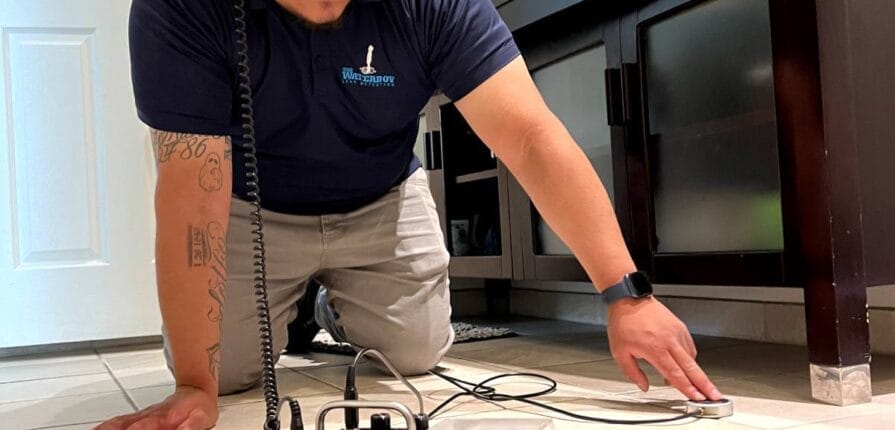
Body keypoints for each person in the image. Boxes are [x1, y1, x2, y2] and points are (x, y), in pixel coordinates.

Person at [99, 0, 722, 428]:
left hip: (382, 200)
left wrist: (625, 294)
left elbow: (530, 137)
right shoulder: (176, 9)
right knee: (228, 370)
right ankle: (281, 313)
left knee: (416, 352)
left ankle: (321, 308)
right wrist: (192, 384)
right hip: (249, 210)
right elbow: (190, 192)